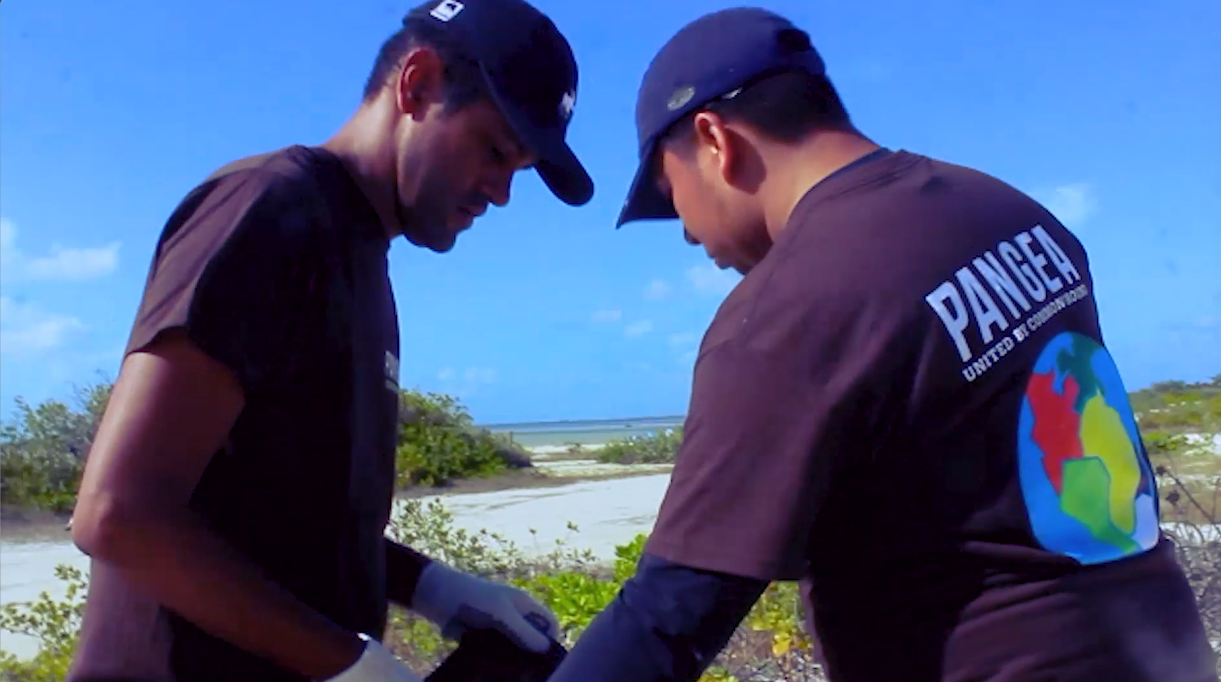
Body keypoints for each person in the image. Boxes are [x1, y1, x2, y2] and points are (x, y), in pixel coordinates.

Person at [546, 7, 1218, 682]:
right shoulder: (1008, 211)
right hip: (1165, 650)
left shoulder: (792, 307)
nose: (688, 235)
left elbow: (671, 615)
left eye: (670, 195)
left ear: (714, 139)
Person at [64, 1, 591, 681]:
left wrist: (431, 586)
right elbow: (119, 514)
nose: (500, 193)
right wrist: (349, 666)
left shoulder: (361, 251)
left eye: (517, 169)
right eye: (493, 150)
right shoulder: (270, 209)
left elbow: (281, 523)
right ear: (418, 84)